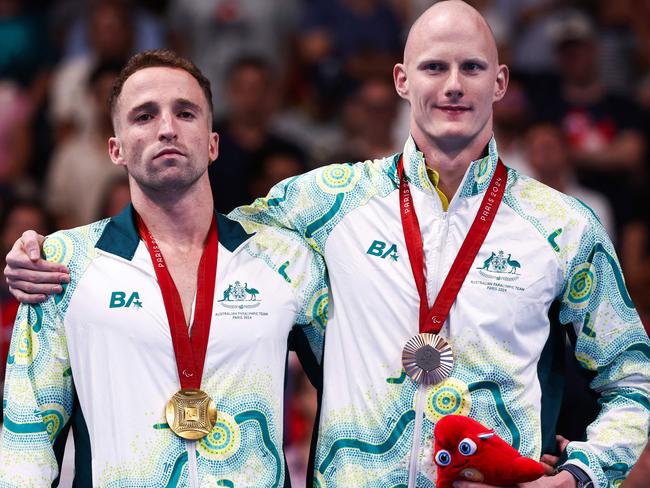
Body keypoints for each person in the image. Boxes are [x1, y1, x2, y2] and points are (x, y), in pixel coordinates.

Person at [6, 2, 649, 487]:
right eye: (434, 66)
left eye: (471, 67)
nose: (452, 85)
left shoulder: (563, 226)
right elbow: (191, 229)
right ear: (402, 80)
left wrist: (584, 473)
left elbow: (634, 376)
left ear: (501, 83)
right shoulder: (323, 204)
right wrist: (41, 249)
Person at [0, 49, 327, 487]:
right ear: (116, 149)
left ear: (213, 142)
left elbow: (359, 391)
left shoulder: (285, 260)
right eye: (144, 116)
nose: (168, 129)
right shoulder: (64, 264)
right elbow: (28, 437)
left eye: (186, 113)